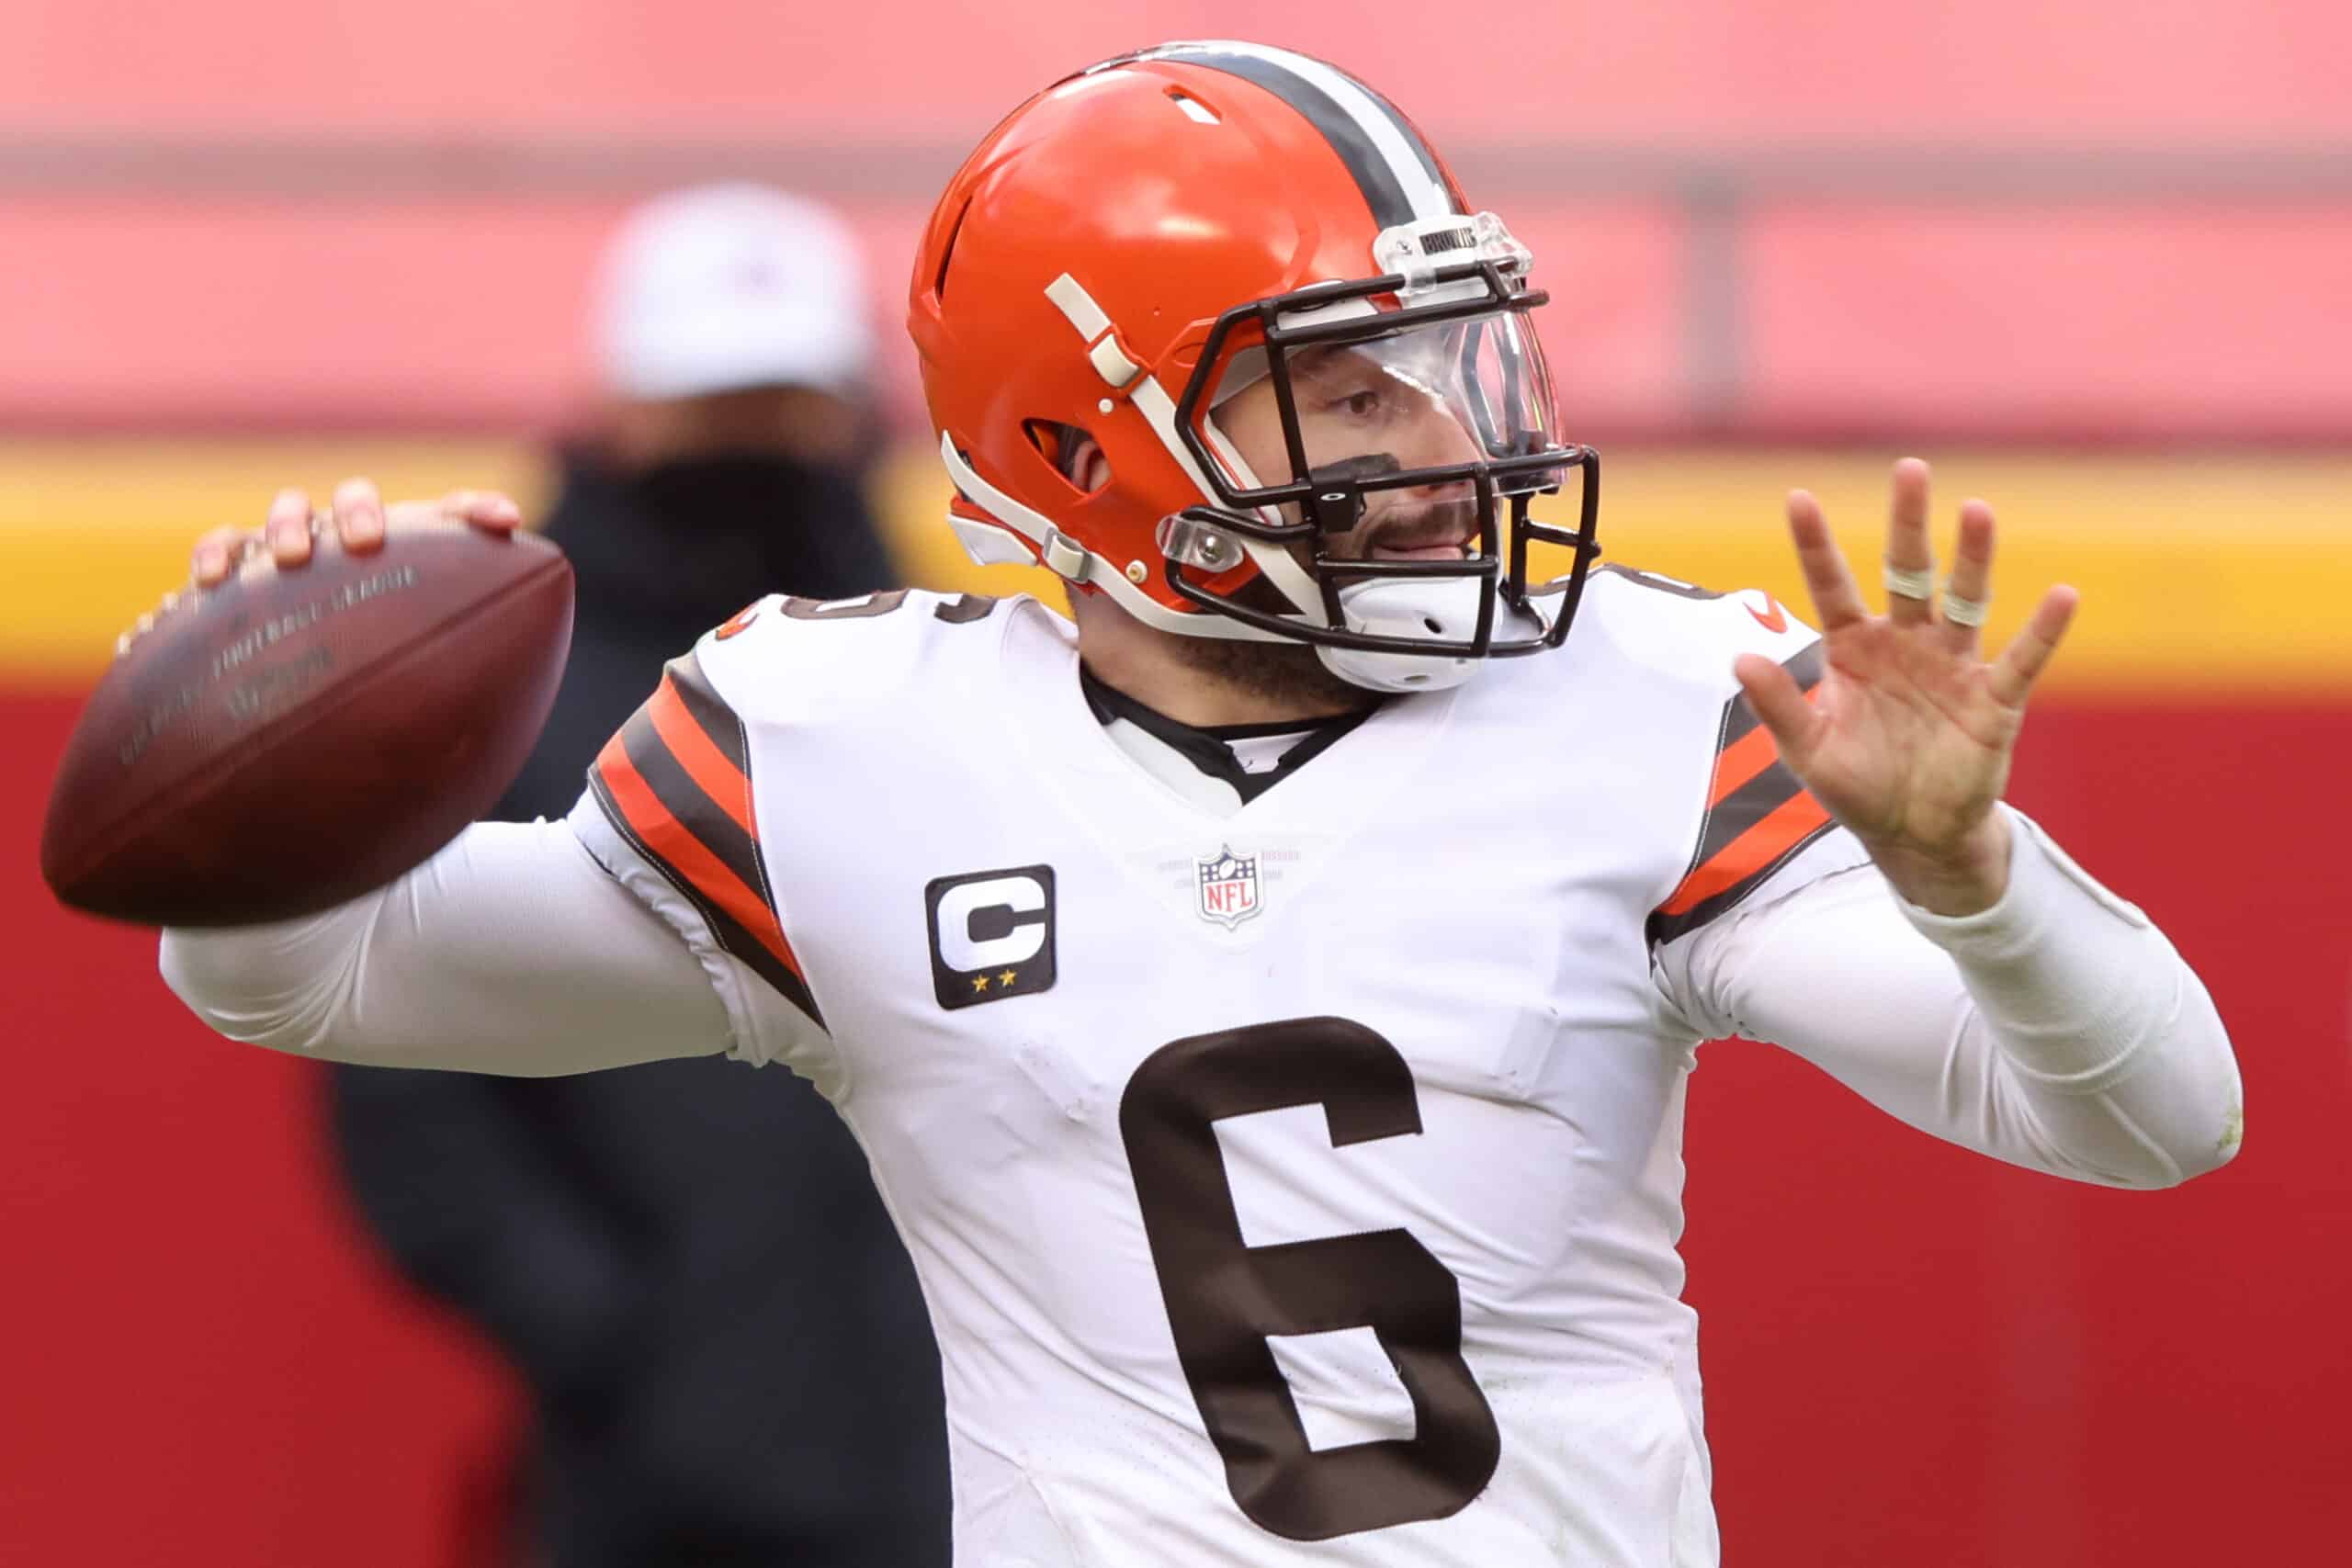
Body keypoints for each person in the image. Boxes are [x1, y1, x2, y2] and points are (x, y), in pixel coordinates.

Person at [159, 41, 2242, 1568]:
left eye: (1452, 363)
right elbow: (312, 979)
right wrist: (261, 729)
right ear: (1091, 447)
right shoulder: (836, 738)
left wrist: (1969, 873)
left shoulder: (1639, 694)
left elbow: (2152, 1119)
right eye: (1347, 386)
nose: (1442, 446)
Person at [322, 184, 946, 1568]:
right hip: (645, 1482)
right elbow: (404, 1083)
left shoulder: (938, 683)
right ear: (620, 407)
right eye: (715, 405)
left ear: (852, 415)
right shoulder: (501, 702)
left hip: (959, 1460)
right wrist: (610, 1333)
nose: (751, 446)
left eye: (780, 406)